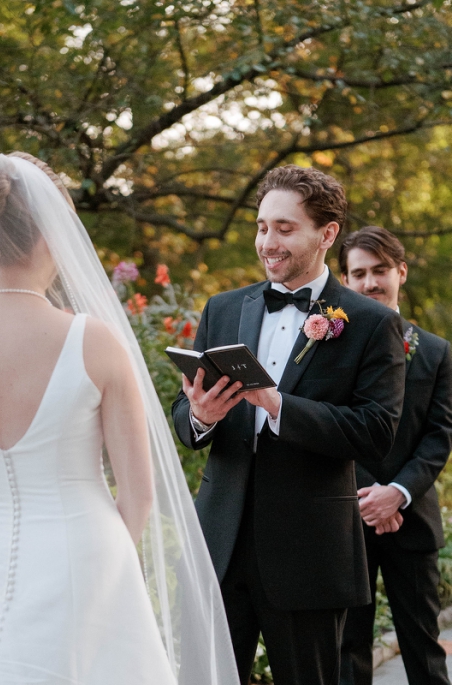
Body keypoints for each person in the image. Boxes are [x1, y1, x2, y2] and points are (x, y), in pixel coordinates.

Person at [0, 152, 237, 683]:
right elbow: (140, 493)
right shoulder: (92, 340)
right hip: (86, 554)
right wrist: (113, 571)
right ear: (50, 235)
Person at [172, 165, 407, 684]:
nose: (268, 242)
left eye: (284, 228)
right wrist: (199, 416)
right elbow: (183, 419)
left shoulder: (370, 323)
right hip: (220, 542)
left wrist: (279, 406)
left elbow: (375, 432)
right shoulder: (225, 308)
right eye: (261, 227)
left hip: (310, 553)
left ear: (327, 234)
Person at [336, 226, 452, 685]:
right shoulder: (328, 348)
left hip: (412, 520)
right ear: (344, 281)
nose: (370, 283)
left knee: (424, 650)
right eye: (358, 273)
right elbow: (331, 428)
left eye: (380, 270)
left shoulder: (437, 352)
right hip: (346, 517)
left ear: (400, 272)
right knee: (347, 652)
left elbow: (439, 436)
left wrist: (397, 493)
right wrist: (369, 497)